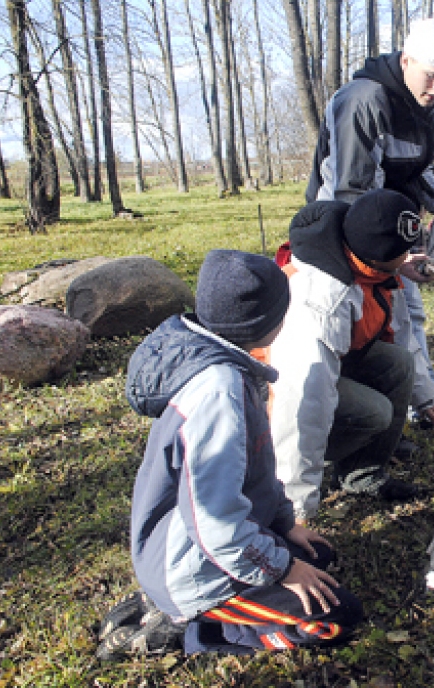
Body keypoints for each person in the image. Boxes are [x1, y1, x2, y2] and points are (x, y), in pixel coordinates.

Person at [112, 250, 362, 658]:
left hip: (212, 544)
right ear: (269, 322)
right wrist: (283, 568)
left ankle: (184, 604)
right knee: (337, 618)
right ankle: (194, 629)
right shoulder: (217, 394)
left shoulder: (227, 362)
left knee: (321, 555)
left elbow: (258, 470)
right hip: (195, 567)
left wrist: (285, 523)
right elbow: (213, 519)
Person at [305, 17, 434, 433]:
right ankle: (369, 423)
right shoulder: (363, 101)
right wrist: (393, 259)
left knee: (409, 316)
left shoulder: (430, 108)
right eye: (433, 76)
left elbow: (419, 169)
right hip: (344, 237)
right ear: (406, 60)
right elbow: (351, 193)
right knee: (369, 327)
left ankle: (424, 405)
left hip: (393, 228)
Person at [264, 190, 425, 523]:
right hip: (268, 388)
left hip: (330, 362)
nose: (410, 255)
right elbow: (302, 405)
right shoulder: (321, 304)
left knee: (397, 364)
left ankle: (361, 474)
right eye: (404, 251)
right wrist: (295, 511)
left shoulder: (357, 251)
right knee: (375, 412)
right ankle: (279, 480)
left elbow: (398, 330)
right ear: (379, 259)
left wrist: (427, 396)